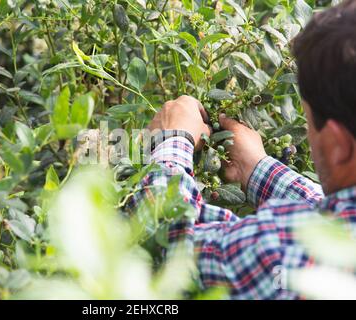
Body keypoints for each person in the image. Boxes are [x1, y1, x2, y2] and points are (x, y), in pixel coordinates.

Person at [128, 0, 356, 299]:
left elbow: (169, 247)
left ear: (338, 146)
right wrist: (256, 167)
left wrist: (172, 141)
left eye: (310, 122)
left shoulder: (292, 257)